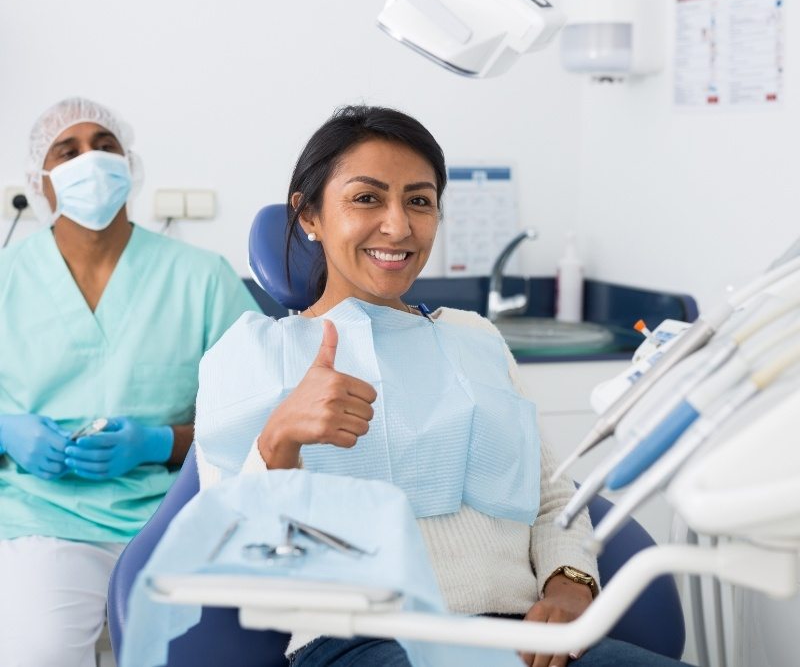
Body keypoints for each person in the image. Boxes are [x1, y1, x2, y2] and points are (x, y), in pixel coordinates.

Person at [194, 105, 693, 667]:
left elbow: (552, 494)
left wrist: (569, 585)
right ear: (309, 215)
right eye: (367, 198)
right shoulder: (249, 355)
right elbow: (231, 554)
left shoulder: (474, 337)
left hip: (524, 639)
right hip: (362, 642)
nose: (399, 225)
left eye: (419, 200)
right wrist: (279, 441)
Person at [0, 97, 260, 667]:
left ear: (130, 165)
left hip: (174, 513)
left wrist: (160, 442)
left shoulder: (201, 279)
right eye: (66, 151)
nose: (90, 160)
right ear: (39, 181)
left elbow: (260, 416)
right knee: (36, 652)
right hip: (44, 517)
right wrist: (4, 432)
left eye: (105, 146)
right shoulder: (7, 280)